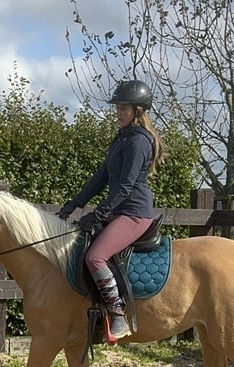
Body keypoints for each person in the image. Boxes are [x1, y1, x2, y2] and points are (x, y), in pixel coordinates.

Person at [58, 79, 166, 341]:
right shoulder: (122, 138)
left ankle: (117, 315)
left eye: (124, 108)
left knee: (95, 257)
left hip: (134, 213)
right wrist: (75, 203)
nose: (118, 112)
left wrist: (99, 213)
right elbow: (102, 176)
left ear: (138, 111)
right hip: (121, 211)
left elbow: (126, 185)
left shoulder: (138, 142)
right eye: (117, 107)